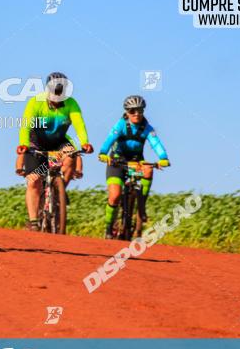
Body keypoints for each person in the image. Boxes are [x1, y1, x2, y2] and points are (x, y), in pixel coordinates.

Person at [15, 72, 93, 233]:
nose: (57, 96)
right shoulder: (36, 102)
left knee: (71, 156)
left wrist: (84, 142)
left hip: (58, 141)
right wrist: (23, 143)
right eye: (54, 92)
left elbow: (79, 124)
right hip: (36, 141)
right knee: (34, 181)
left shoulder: (71, 103)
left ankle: (59, 190)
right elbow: (25, 125)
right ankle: (34, 221)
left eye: (60, 92)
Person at [97, 95, 170, 239]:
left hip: (136, 162)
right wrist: (103, 153)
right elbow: (109, 139)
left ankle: (141, 205)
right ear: (126, 112)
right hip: (117, 161)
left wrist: (163, 158)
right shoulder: (121, 125)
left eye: (140, 110)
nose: (136, 114)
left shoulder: (147, 128)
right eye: (132, 111)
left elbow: (156, 144)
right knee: (115, 196)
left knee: (148, 169)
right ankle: (108, 227)